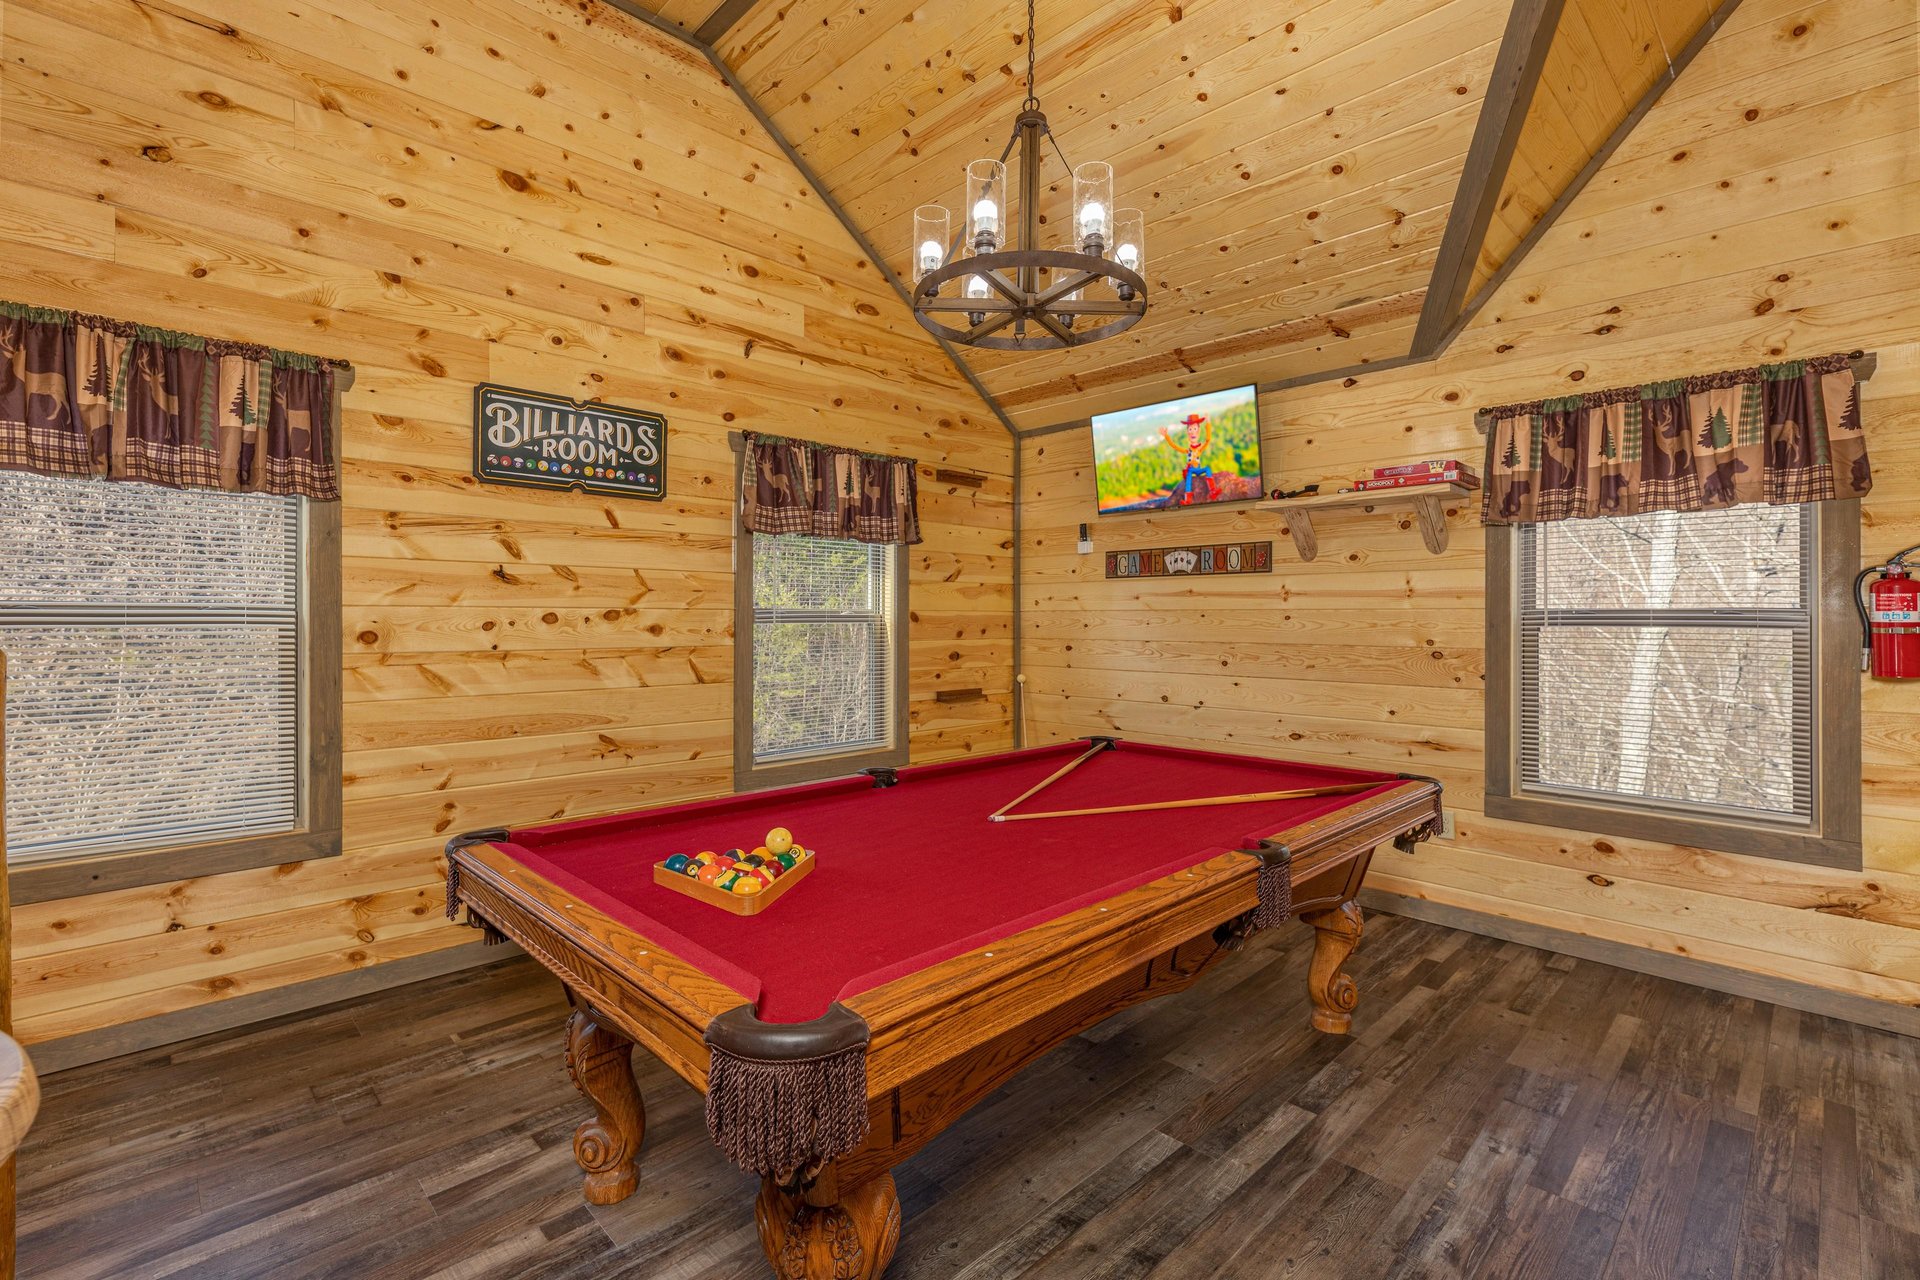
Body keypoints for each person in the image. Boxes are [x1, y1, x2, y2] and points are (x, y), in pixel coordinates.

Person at [1159, 412, 1215, 505]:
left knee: (1208, 469)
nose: (1193, 432)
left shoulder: (1199, 448)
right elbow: (1175, 446)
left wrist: (1208, 422)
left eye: (1195, 429)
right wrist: (1166, 436)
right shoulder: (1188, 451)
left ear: (1199, 431)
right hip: (1191, 470)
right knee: (1189, 475)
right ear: (1187, 432)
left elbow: (1208, 439)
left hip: (1198, 470)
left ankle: (1212, 490)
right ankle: (1187, 499)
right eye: (1190, 429)